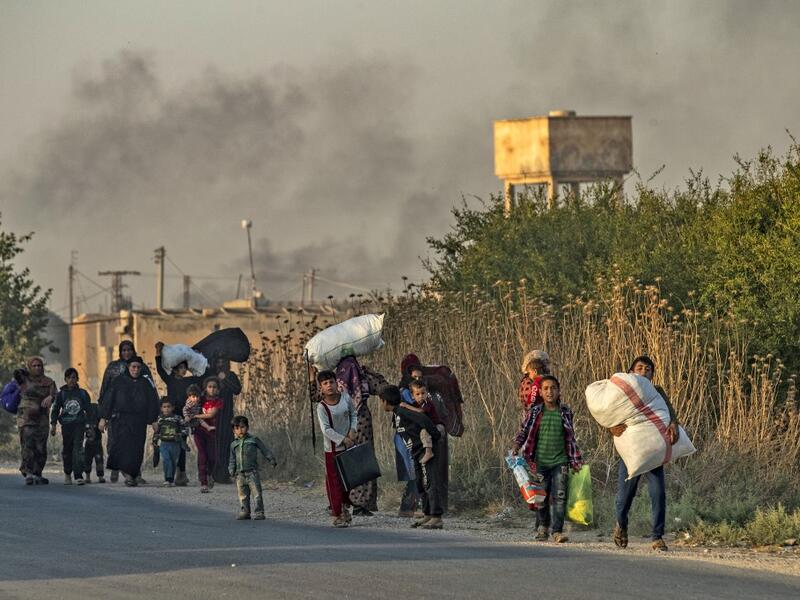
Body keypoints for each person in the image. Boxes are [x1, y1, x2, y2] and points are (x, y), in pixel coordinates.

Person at [610, 355, 680, 552]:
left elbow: (670, 412)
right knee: (624, 496)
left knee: (658, 493)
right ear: (631, 372)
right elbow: (608, 413)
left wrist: (674, 424)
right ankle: (621, 525)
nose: (644, 371)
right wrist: (611, 427)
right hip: (630, 451)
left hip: (652, 452)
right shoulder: (623, 393)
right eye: (639, 368)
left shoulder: (656, 392)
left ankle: (657, 537)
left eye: (648, 369)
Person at [512, 375, 583, 543]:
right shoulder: (536, 412)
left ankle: (557, 531)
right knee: (541, 497)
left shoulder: (565, 412)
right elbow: (524, 431)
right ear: (541, 393)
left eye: (553, 388)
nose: (550, 391)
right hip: (540, 463)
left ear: (559, 391)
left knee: (560, 497)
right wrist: (516, 446)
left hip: (561, 462)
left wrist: (575, 461)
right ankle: (543, 526)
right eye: (546, 389)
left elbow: (570, 438)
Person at [379, 385, 444, 529]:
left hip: (424, 450)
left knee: (430, 482)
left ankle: (437, 516)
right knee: (420, 482)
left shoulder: (403, 411)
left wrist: (435, 435)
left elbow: (423, 419)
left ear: (384, 401)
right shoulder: (397, 413)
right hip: (415, 452)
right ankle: (427, 514)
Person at [99, 356, 159, 487]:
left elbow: (152, 402)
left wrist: (154, 420)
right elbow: (109, 400)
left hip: (139, 421)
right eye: (133, 367)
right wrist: (104, 418)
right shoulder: (119, 381)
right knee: (122, 447)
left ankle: (133, 473)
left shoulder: (145, 383)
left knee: (137, 449)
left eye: (138, 367)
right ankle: (128, 475)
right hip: (121, 420)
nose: (136, 370)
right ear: (128, 367)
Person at [155, 341, 202, 486]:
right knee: (169, 441)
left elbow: (200, 375)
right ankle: (172, 472)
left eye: (185, 368)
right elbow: (160, 371)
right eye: (181, 368)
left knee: (181, 443)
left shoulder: (190, 380)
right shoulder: (170, 380)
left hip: (184, 417)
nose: (183, 370)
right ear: (175, 369)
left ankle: (181, 473)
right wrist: (158, 354)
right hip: (171, 417)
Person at [335, 356, 378, 515]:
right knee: (363, 462)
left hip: (341, 425)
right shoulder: (364, 378)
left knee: (345, 463)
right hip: (361, 423)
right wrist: (373, 374)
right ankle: (361, 504)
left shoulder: (334, 383)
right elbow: (384, 388)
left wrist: (313, 377)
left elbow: (316, 396)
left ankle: (344, 501)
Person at [316, 370, 357, 528]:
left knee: (347, 481)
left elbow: (353, 414)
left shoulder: (345, 397)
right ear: (321, 388)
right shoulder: (322, 407)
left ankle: (345, 508)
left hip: (349, 446)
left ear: (336, 383)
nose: (329, 386)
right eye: (325, 383)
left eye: (331, 382)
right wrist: (342, 440)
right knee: (334, 483)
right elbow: (326, 430)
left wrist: (353, 430)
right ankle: (337, 513)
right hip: (332, 450)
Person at [16, 357, 56, 485]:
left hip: (42, 418)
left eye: (39, 365)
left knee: (40, 447)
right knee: (28, 445)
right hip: (26, 418)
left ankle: (38, 473)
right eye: (34, 366)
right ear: (29, 367)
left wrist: (51, 397)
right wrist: (26, 371)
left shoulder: (48, 382)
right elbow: (16, 372)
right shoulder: (24, 379)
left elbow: (56, 394)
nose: (37, 368)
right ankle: (28, 473)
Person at [229, 415, 277, 520]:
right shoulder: (233, 444)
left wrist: (271, 459)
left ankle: (259, 512)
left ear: (247, 427)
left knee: (257, 493)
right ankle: (245, 511)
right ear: (233, 430)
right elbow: (232, 459)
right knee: (243, 495)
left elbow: (265, 450)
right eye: (237, 428)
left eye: (242, 427)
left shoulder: (253, 440)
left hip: (252, 473)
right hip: (240, 474)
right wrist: (231, 470)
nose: (240, 430)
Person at [49, 368, 90, 486]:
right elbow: (55, 409)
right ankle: (67, 473)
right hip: (66, 425)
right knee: (67, 449)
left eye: (74, 378)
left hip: (79, 424)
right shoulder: (61, 394)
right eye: (69, 378)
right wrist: (53, 425)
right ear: (65, 379)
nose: (71, 380)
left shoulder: (82, 393)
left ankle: (78, 475)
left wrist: (90, 425)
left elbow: (89, 410)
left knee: (78, 449)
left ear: (77, 379)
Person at [208, 354, 241, 484]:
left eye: (223, 362)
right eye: (218, 362)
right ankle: (212, 473)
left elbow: (237, 389)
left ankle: (224, 474)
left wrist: (225, 378)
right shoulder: (211, 377)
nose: (220, 364)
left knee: (226, 445)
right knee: (213, 445)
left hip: (226, 415)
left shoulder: (231, 375)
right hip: (212, 415)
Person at [192, 377, 223, 493]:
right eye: (210, 387)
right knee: (202, 455)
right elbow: (190, 407)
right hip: (199, 431)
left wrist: (195, 416)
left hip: (212, 432)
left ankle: (209, 474)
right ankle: (203, 482)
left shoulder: (219, 402)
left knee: (212, 458)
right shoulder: (199, 400)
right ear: (205, 388)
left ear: (218, 390)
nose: (212, 389)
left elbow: (211, 414)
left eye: (215, 387)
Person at [153, 398, 186, 487]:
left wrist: (180, 434)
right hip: (164, 443)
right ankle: (167, 479)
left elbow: (185, 428)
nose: (166, 409)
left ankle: (170, 479)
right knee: (166, 460)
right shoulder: (160, 419)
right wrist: (155, 441)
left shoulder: (177, 418)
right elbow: (157, 431)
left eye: (168, 407)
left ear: (173, 408)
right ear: (161, 408)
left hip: (175, 444)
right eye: (164, 407)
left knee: (173, 462)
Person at [83, 400, 105, 483]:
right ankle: (88, 477)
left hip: (97, 443)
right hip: (89, 443)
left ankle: (100, 477)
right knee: (87, 460)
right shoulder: (85, 419)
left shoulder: (99, 421)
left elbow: (102, 427)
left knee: (99, 460)